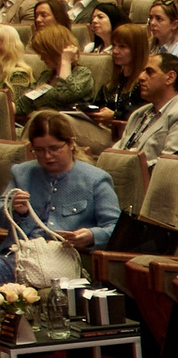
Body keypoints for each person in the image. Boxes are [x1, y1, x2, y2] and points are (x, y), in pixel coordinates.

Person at [1, 113, 117, 283]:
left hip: (64, 261)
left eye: (54, 149)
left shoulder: (95, 180)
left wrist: (92, 235)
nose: (47, 156)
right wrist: (17, 211)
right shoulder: (22, 173)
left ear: (71, 143)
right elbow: (2, 215)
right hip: (19, 256)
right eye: (39, 150)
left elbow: (115, 228)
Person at [113, 51, 178, 161]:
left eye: (149, 72)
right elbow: (117, 150)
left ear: (170, 78)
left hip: (143, 171)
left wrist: (124, 166)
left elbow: (168, 163)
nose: (141, 77)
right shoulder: (139, 114)